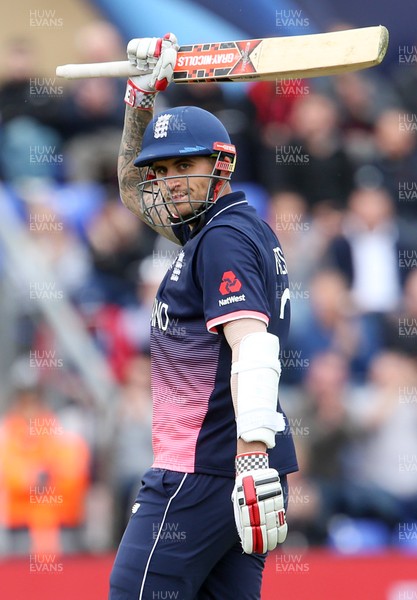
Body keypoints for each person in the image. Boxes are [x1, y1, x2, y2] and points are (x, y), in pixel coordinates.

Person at [109, 34, 298, 600]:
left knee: (134, 592)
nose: (168, 181)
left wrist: (250, 458)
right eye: (160, 169)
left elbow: (254, 346)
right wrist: (140, 100)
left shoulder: (221, 240)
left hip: (205, 469)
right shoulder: (221, 230)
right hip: (227, 468)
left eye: (183, 166)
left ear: (221, 166)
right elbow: (129, 188)